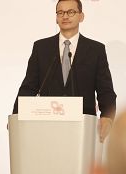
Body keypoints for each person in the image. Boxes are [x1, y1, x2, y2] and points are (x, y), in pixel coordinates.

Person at [12, 0, 116, 143]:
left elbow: (105, 90)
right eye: (60, 13)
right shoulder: (41, 48)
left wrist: (107, 117)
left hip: (82, 128)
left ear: (81, 16)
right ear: (56, 18)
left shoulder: (96, 50)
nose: (65, 16)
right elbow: (28, 87)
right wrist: (16, 117)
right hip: (46, 127)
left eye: (71, 12)